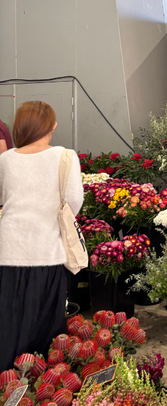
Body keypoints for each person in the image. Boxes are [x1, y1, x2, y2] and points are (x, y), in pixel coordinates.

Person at [0, 102, 83, 370]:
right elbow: (73, 202)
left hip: (8, 250)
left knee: (9, 319)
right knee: (45, 321)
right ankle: (42, 382)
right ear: (51, 126)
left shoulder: (5, 159)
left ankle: (7, 379)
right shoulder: (65, 157)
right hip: (47, 249)